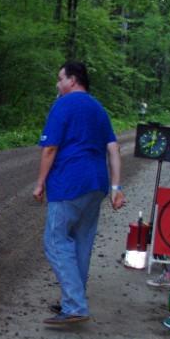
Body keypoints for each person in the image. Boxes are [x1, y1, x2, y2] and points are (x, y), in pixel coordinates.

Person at [33, 61, 125, 325]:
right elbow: (114, 149)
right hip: (96, 184)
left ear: (73, 80)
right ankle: (73, 300)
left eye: (60, 79)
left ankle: (74, 305)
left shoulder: (63, 105)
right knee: (81, 242)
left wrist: (40, 183)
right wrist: (116, 188)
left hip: (69, 183)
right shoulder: (98, 109)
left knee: (55, 241)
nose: (57, 84)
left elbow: (50, 149)